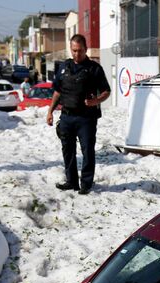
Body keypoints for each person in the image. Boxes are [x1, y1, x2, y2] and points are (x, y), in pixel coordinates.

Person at [47, 34, 110, 195]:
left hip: (86, 118)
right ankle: (71, 181)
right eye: (74, 51)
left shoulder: (94, 68)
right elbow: (57, 92)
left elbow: (106, 91)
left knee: (87, 150)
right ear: (70, 49)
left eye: (80, 51)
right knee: (67, 150)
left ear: (86, 49)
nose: (77, 54)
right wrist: (50, 111)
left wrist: (95, 101)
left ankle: (86, 183)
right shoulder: (63, 67)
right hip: (67, 116)